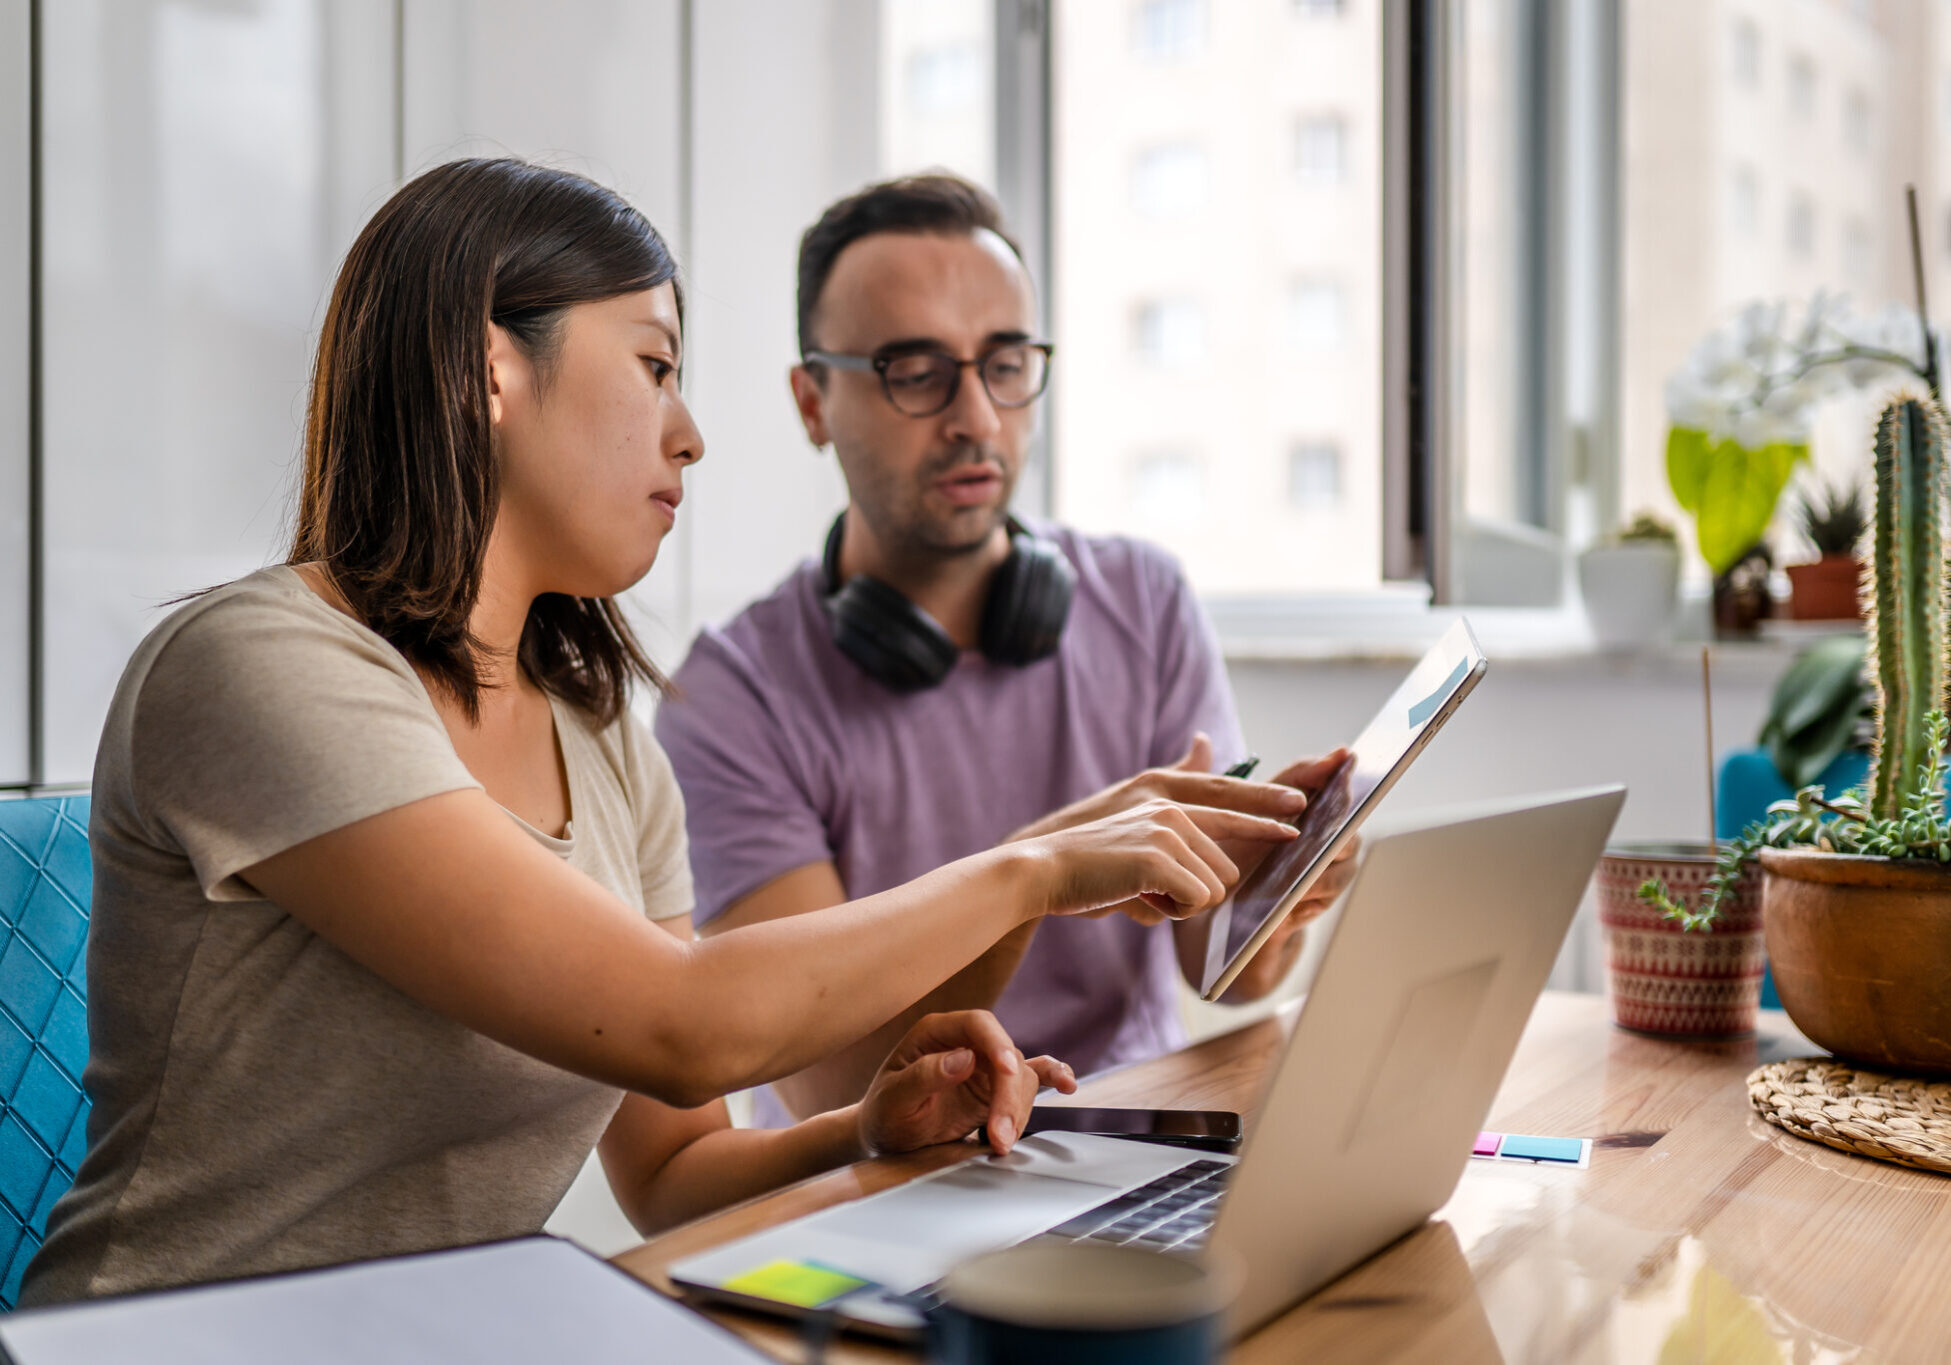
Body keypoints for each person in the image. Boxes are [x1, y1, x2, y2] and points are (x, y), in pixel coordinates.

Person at [20, 160, 1299, 1306]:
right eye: (653, 367)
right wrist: (1035, 868)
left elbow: (680, 1165)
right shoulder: (262, 668)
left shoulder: (602, 738)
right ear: (491, 373)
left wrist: (868, 1131)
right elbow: (683, 1021)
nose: (689, 432)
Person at [654, 174, 1356, 1127]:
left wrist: (1273, 902)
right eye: (914, 370)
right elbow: (835, 1084)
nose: (977, 417)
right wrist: (1042, 869)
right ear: (813, 401)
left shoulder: (1145, 602)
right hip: (882, 1187)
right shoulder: (730, 699)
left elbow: (1220, 974)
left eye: (1005, 362)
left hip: (1137, 1138)